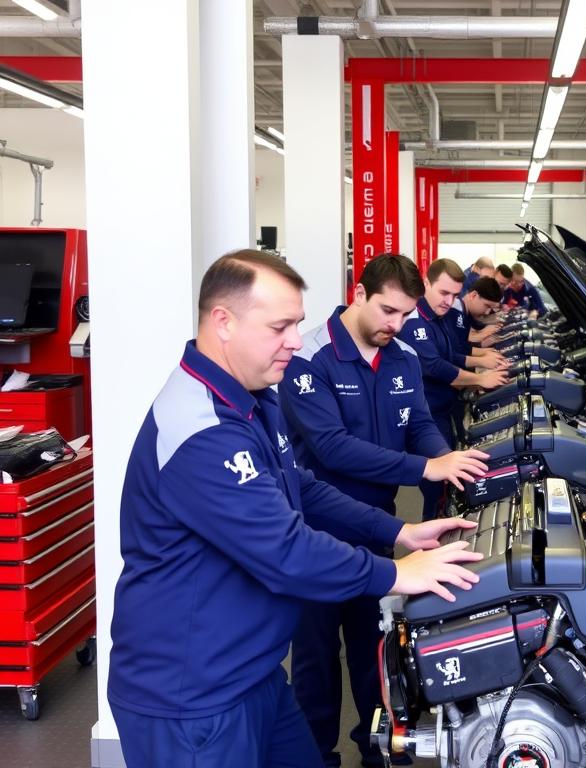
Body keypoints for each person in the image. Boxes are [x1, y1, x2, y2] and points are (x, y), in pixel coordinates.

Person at [108, 250, 483, 768]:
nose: (293, 341)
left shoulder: (251, 398)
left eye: (297, 325)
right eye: (279, 326)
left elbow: (300, 485)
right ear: (224, 322)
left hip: (254, 672)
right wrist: (395, 573)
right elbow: (285, 549)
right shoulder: (201, 431)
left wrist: (398, 530)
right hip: (192, 695)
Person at [279, 253, 491, 768]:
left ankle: (376, 751)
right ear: (359, 293)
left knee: (377, 653)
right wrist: (424, 470)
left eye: (405, 316)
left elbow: (418, 423)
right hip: (315, 532)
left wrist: (445, 457)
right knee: (315, 658)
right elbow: (332, 448)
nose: (395, 325)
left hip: (378, 527)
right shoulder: (309, 359)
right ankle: (318, 756)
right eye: (388, 311)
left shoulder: (401, 357)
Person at [398, 258, 509, 520]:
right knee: (436, 486)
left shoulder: (440, 317)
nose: (448, 301)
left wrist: (479, 365)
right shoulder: (415, 321)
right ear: (426, 283)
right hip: (425, 414)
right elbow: (435, 366)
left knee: (446, 484)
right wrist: (479, 378)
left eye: (454, 295)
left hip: (443, 409)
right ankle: (432, 537)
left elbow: (451, 355)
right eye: (443, 292)